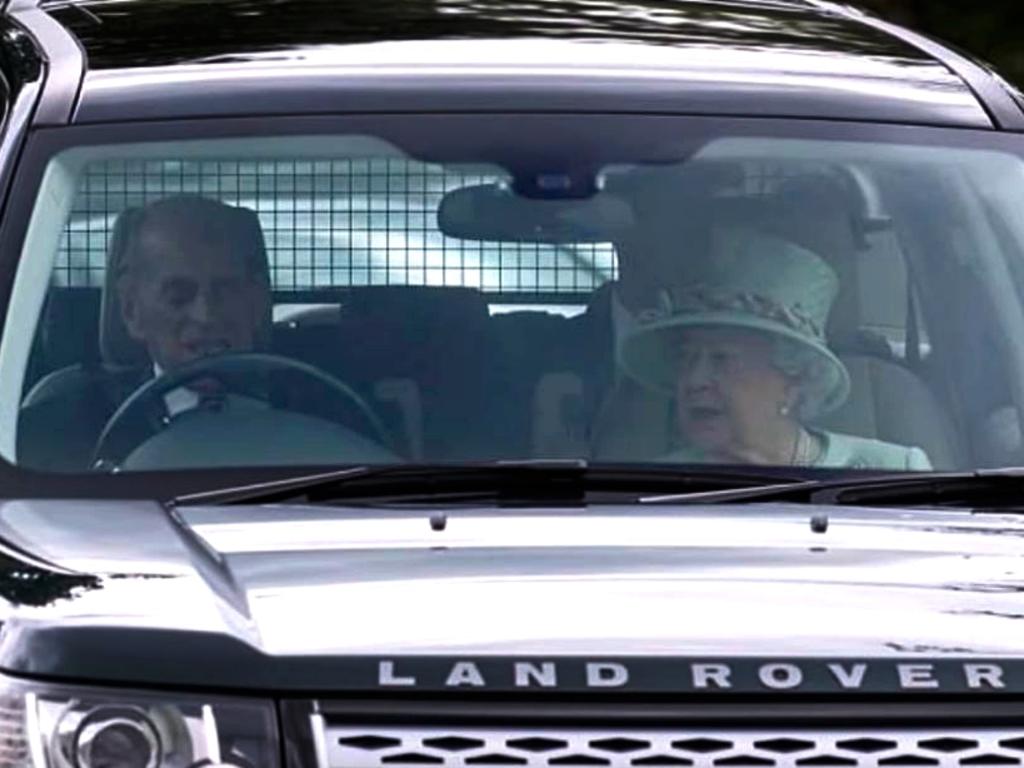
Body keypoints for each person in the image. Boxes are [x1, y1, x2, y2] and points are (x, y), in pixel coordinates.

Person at [617, 227, 932, 469]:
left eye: (722, 360)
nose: (694, 380)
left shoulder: (895, 471)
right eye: (687, 359)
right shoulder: (656, 484)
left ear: (793, 384)